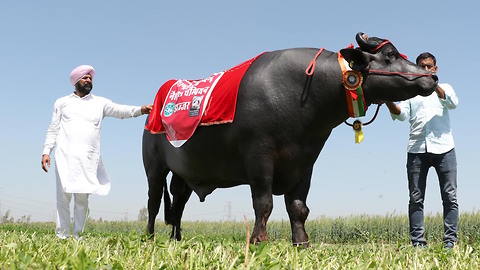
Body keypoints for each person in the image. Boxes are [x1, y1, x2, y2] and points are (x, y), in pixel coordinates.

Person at [41, 65, 152, 239]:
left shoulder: (99, 103)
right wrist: (46, 151)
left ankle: (79, 236)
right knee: (63, 198)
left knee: (82, 200)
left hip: (87, 159)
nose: (88, 80)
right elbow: (53, 128)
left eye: (90, 78)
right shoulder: (62, 103)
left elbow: (119, 110)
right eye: (85, 78)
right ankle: (62, 236)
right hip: (64, 157)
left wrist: (140, 110)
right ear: (76, 81)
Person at [383, 52, 459, 248]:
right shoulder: (410, 94)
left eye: (429, 66)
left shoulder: (446, 87)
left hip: (445, 150)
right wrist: (386, 99)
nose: (425, 70)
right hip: (416, 151)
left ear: (435, 69)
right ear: (416, 69)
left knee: (449, 196)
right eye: (421, 67)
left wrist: (433, 85)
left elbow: (452, 102)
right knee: (416, 199)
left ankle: (449, 242)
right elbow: (400, 115)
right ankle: (418, 244)